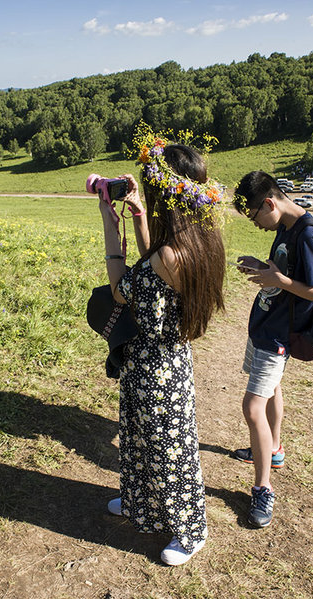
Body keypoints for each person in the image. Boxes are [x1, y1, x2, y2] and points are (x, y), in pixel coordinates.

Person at [98, 127, 225, 565]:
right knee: (138, 437)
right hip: (163, 358)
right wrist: (137, 220)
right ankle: (140, 506)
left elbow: (122, 288)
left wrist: (109, 225)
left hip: (157, 365)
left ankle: (191, 531)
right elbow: (157, 268)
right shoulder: (196, 240)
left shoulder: (172, 253)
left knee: (170, 448)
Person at [232, 171, 313, 528]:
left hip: (278, 335)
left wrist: (278, 280)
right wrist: (264, 268)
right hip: (267, 325)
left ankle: (263, 489)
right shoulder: (286, 227)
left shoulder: (308, 235)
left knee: (252, 407)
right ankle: (272, 449)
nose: (258, 225)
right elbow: (287, 273)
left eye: (255, 216)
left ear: (269, 203)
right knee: (272, 388)